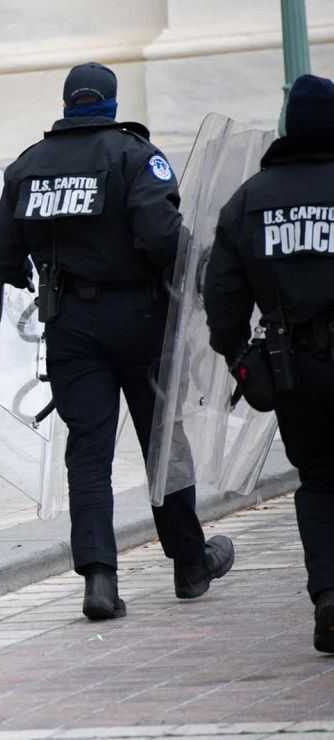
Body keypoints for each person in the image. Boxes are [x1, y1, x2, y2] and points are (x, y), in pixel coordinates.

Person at [0, 62, 233, 619]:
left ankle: (100, 579)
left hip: (70, 321)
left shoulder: (30, 164)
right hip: (142, 317)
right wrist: (193, 281)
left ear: (68, 104)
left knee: (88, 453)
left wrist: (33, 274)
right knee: (162, 443)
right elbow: (162, 234)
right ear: (111, 105)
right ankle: (190, 565)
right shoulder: (135, 156)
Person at [204, 74, 334, 653]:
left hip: (294, 367)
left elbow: (223, 295)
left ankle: (330, 596)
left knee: (320, 481)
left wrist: (239, 358)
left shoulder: (249, 199)